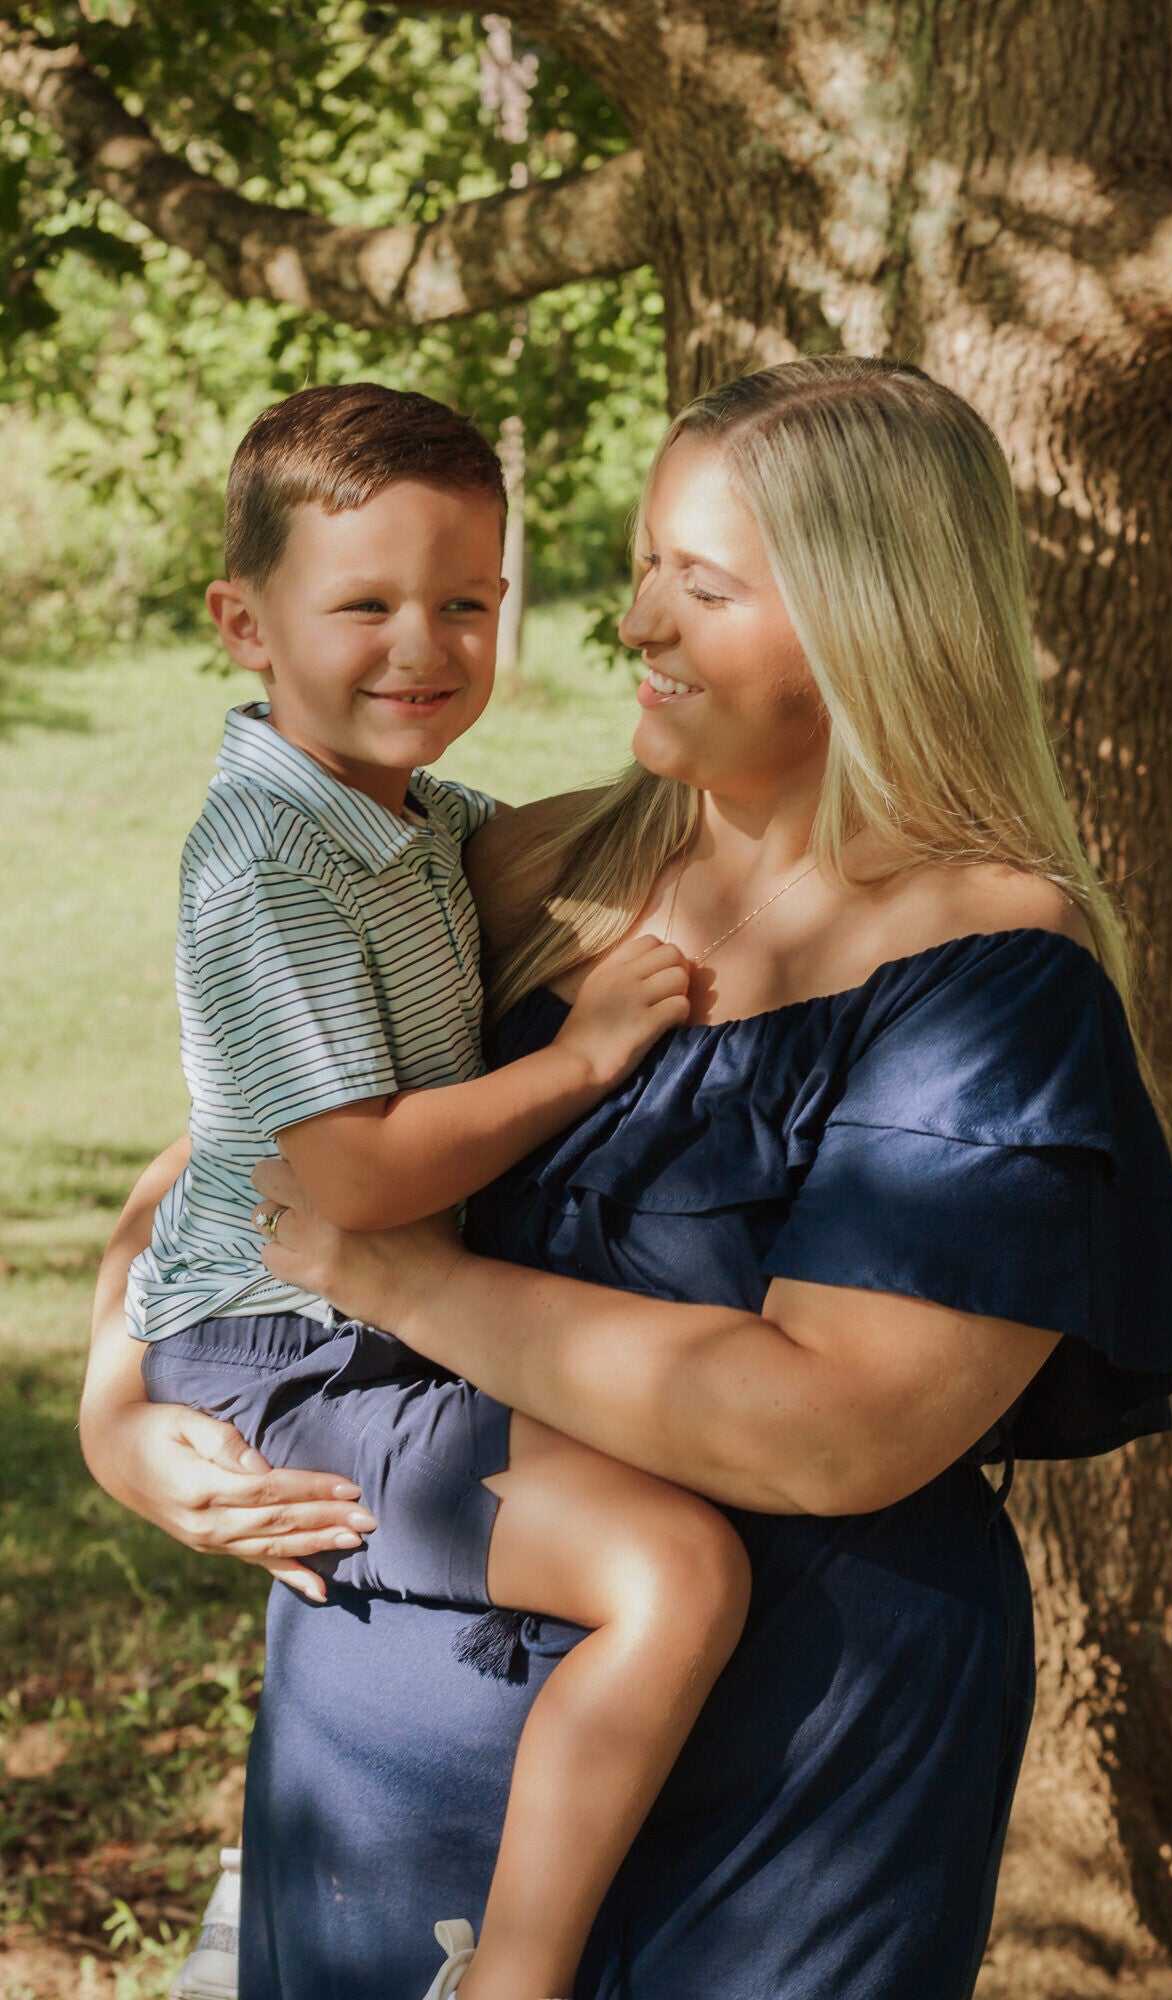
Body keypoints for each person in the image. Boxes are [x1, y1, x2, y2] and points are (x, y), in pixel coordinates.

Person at [83, 357, 1172, 2000]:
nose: (636, 626)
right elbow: (240, 1133)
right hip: (385, 1736)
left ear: (872, 620)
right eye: (639, 570)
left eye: (702, 585)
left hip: (783, 1785)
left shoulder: (989, 979)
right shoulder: (534, 867)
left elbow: (835, 1430)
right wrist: (120, 1410)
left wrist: (400, 1282)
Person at [121, 380, 754, 2000]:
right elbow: (350, 1172)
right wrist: (585, 1057)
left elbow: (609, 836)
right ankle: (515, 1972)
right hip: (288, 1352)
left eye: (465, 604)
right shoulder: (270, 862)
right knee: (670, 1572)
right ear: (242, 624)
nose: (423, 647)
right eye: (366, 607)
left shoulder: (410, 820)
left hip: (353, 1326)